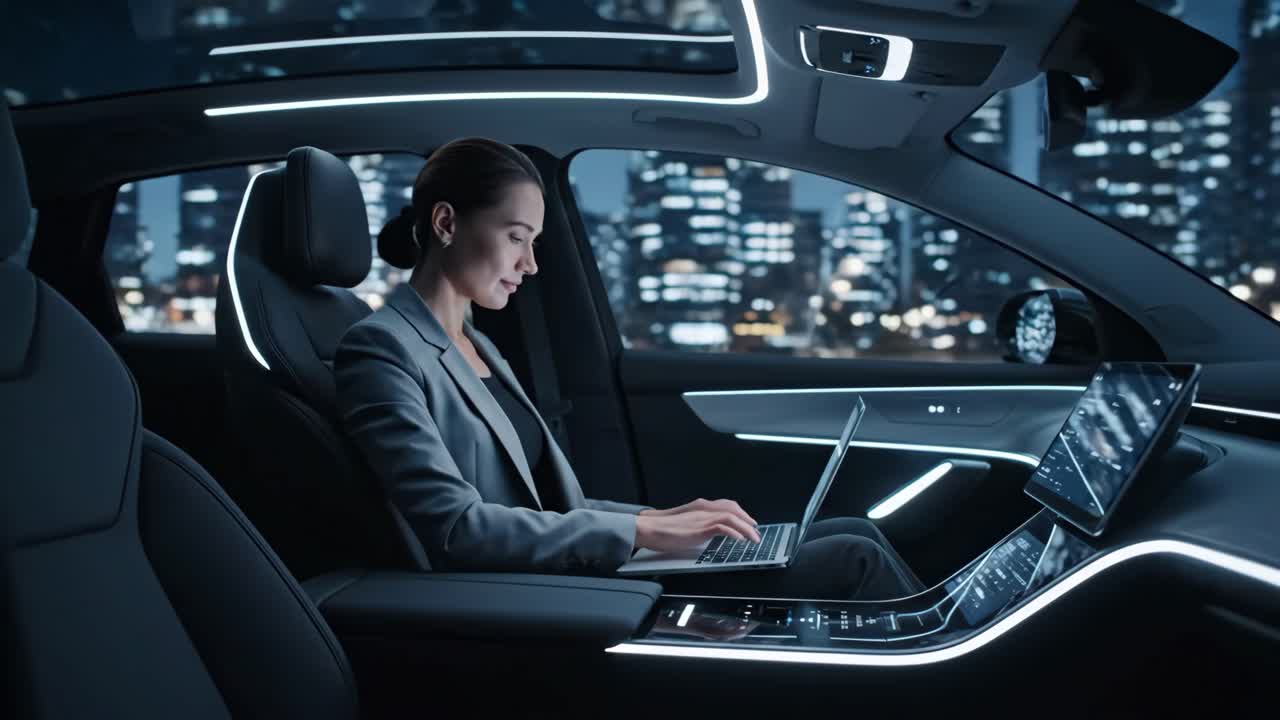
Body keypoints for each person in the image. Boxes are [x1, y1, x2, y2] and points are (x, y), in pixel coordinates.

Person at [334, 138, 923, 601]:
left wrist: (661, 517)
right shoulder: (382, 351)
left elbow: (547, 504)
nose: (531, 264)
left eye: (534, 241)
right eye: (517, 237)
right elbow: (457, 529)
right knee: (853, 558)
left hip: (561, 559)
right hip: (517, 588)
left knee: (854, 531)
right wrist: (644, 535)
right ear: (445, 223)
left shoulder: (477, 345)